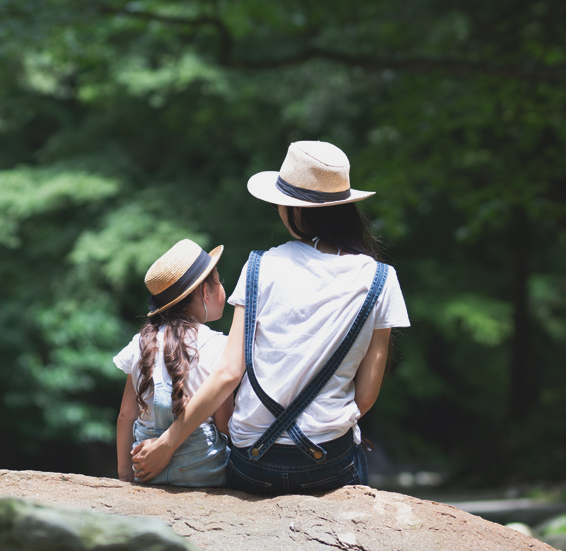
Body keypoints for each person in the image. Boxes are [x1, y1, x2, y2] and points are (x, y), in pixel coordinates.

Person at [131, 141, 410, 495]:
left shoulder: (260, 266)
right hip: (329, 462)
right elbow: (366, 396)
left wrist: (167, 444)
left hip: (253, 462)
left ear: (295, 210)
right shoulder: (381, 279)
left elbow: (229, 374)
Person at [114, 239, 232, 486]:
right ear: (203, 291)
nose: (222, 287)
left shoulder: (140, 343)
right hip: (203, 470)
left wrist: (125, 476)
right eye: (219, 281)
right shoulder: (218, 346)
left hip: (147, 469)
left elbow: (126, 416)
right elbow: (223, 424)